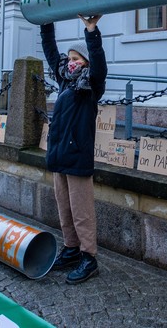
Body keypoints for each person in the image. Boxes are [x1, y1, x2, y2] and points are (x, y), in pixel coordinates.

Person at [40, 14, 107, 284]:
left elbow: (99, 64)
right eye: (69, 59)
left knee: (82, 211)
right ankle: (70, 248)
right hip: (59, 155)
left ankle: (88, 256)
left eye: (77, 59)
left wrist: (91, 31)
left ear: (86, 63)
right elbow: (50, 52)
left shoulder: (91, 86)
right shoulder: (65, 82)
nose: (71, 62)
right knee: (64, 207)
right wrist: (46, 22)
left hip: (77, 155)